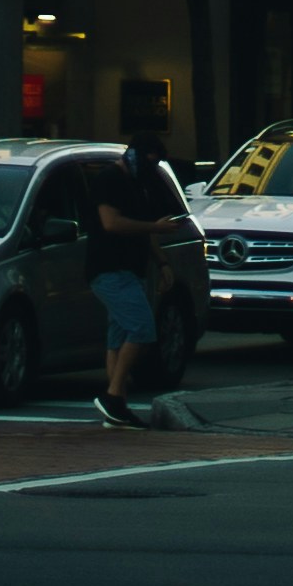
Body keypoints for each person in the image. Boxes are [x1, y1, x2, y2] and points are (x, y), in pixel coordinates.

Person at [86, 133, 178, 426]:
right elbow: (110, 223)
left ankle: (117, 404)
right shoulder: (109, 179)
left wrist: (161, 262)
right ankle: (112, 396)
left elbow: (144, 231)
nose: (152, 168)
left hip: (130, 270)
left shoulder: (139, 184)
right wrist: (156, 228)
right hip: (110, 269)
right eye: (151, 162)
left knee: (119, 336)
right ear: (136, 155)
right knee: (141, 329)